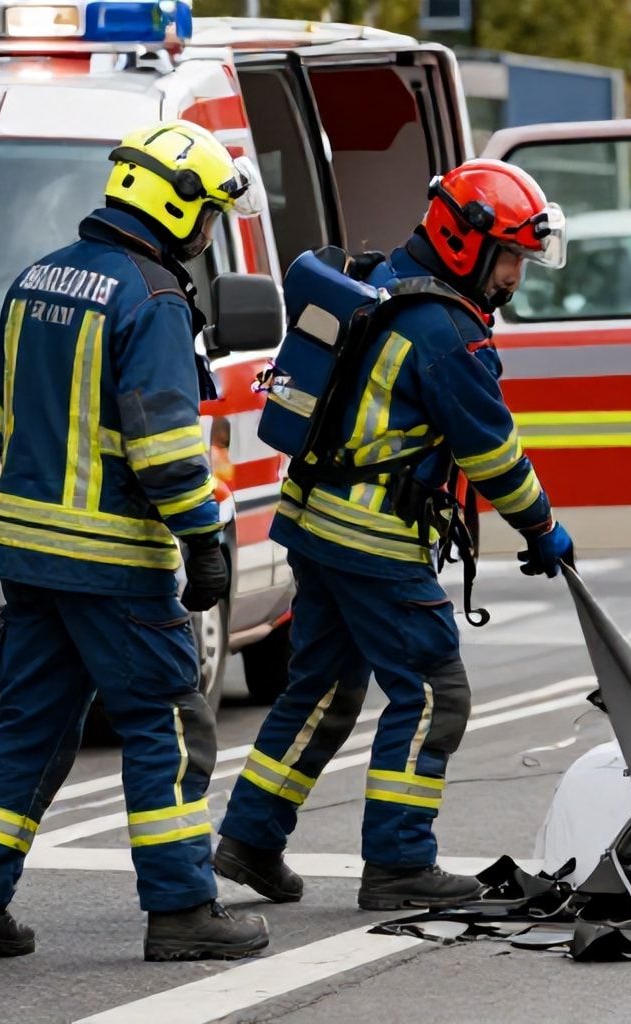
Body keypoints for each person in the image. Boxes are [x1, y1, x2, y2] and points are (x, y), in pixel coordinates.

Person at [0, 121, 268, 962]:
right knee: (168, 725)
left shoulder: (37, 277)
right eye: (203, 214)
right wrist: (203, 540)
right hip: (116, 563)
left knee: (28, 729)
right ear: (175, 203)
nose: (202, 234)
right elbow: (162, 447)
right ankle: (184, 908)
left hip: (27, 556)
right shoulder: (152, 299)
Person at [214, 159, 575, 911]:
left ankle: (250, 837)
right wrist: (542, 528)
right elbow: (491, 454)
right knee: (434, 693)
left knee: (321, 688)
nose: (515, 276)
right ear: (465, 241)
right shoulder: (448, 333)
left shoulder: (380, 281)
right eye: (510, 256)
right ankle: (400, 863)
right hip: (374, 538)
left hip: (315, 522)